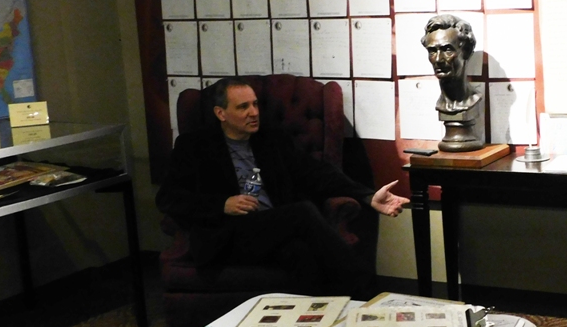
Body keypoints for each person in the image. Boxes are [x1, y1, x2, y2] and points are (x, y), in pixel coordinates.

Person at [156, 77, 408, 297]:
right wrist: (222, 204)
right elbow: (168, 198)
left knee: (301, 254)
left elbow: (316, 173)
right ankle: (369, 295)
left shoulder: (271, 140)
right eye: (243, 107)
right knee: (302, 212)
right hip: (227, 235)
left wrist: (367, 196)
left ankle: (319, 322)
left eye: (255, 104)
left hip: (272, 229)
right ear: (221, 113)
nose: (253, 112)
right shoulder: (194, 147)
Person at [422, 14, 482, 115]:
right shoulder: (441, 104)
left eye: (447, 50)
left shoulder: (474, 99)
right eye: (432, 51)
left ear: (466, 52)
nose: (438, 59)